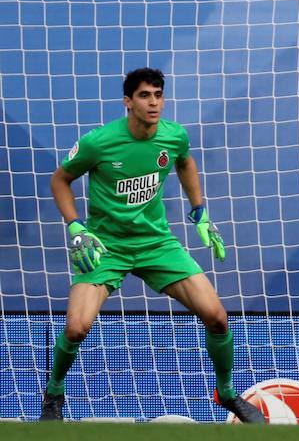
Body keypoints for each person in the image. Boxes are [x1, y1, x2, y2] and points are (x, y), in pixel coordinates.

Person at [40, 68, 264, 423]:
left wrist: (199, 212)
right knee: (76, 328)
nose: (154, 103)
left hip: (157, 243)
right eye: (145, 95)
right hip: (106, 246)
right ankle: (54, 393)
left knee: (217, 317)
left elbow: (185, 162)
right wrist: (76, 227)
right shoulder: (99, 142)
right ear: (128, 102)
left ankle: (226, 391)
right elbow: (60, 180)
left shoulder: (174, 136)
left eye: (158, 95)